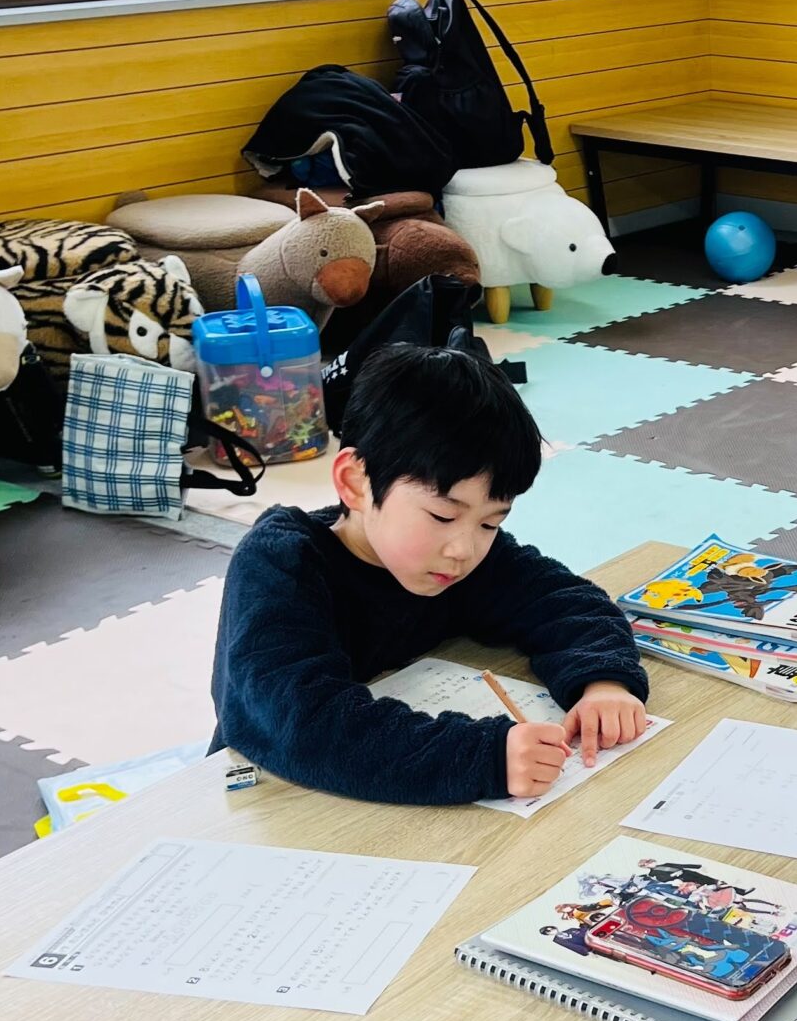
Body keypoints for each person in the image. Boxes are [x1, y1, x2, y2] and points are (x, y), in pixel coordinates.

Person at [211, 343, 647, 804]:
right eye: (442, 516)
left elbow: (564, 601)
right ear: (355, 483)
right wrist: (484, 758)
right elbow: (302, 725)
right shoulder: (280, 565)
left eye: (490, 523)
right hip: (264, 799)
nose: (465, 549)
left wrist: (604, 681)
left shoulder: (459, 559)